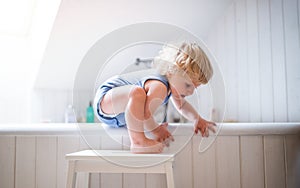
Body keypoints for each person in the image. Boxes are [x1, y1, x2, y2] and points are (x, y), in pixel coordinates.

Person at [94, 42, 216, 153]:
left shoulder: (173, 86)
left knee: (137, 96)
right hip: (107, 97)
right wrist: (156, 130)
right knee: (137, 93)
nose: (190, 92)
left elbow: (182, 105)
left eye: (195, 88)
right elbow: (145, 114)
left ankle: (138, 140)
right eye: (188, 85)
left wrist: (197, 119)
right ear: (170, 72)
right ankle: (138, 142)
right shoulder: (160, 86)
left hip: (117, 113)